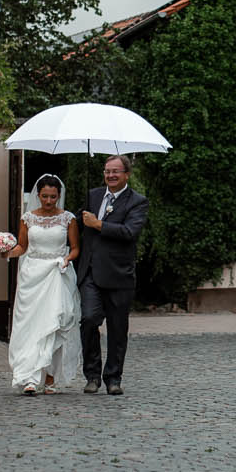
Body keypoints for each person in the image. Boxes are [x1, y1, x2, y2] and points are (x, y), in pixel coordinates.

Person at [0, 174, 83, 395]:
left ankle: (51, 379)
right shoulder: (28, 218)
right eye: (44, 196)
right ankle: (29, 378)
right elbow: (22, 246)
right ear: (38, 195)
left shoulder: (68, 219)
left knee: (55, 323)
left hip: (56, 272)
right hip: (32, 274)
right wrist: (7, 252)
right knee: (31, 326)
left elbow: (75, 248)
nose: (48, 201)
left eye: (53, 197)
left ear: (59, 196)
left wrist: (67, 259)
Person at [77, 154, 148, 395]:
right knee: (88, 321)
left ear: (126, 174)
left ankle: (113, 377)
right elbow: (77, 226)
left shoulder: (137, 202)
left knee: (118, 329)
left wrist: (98, 225)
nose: (111, 175)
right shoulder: (93, 195)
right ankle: (92, 375)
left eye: (116, 171)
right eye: (107, 171)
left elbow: (130, 232)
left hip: (119, 276)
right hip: (90, 274)